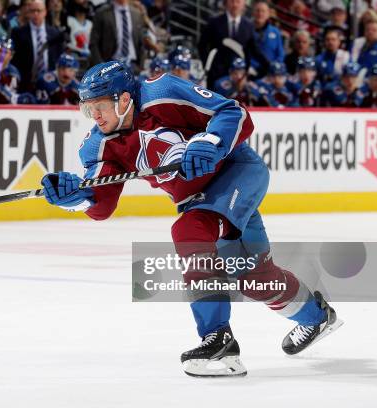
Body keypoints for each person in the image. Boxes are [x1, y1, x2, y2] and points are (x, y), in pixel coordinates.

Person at [40, 60, 341, 377]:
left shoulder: (162, 91)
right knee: (253, 277)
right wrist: (74, 197)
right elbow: (101, 204)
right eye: (88, 110)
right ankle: (316, 316)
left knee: (189, 230)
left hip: (237, 172)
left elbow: (232, 113)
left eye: (99, 107)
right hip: (198, 200)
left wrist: (210, 142)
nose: (94, 117)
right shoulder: (99, 145)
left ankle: (219, 341)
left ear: (124, 99)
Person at [198, 0, 268, 88]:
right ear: (226, 3)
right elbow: (202, 46)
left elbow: (254, 50)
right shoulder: (214, 22)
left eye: (238, 2)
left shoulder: (248, 26)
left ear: (243, 4)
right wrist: (208, 67)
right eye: (232, 1)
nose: (235, 5)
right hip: (216, 75)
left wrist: (266, 65)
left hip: (239, 77)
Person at [10, 0, 65, 91]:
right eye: (32, 11)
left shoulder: (56, 34)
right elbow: (15, 61)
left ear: (45, 12)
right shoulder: (18, 33)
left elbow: (59, 58)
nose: (36, 14)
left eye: (39, 11)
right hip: (26, 84)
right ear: (29, 12)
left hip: (51, 84)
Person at [89, 0, 146, 71]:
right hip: (110, 64)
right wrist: (102, 67)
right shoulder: (101, 13)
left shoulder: (137, 14)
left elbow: (141, 43)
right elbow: (94, 43)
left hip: (133, 65)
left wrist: (141, 66)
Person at [251, 0, 284, 75]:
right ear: (253, 12)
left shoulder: (276, 32)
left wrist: (274, 66)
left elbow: (280, 54)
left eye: (263, 11)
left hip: (271, 72)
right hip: (251, 70)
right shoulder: (246, 29)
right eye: (257, 11)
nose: (260, 14)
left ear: (268, 13)